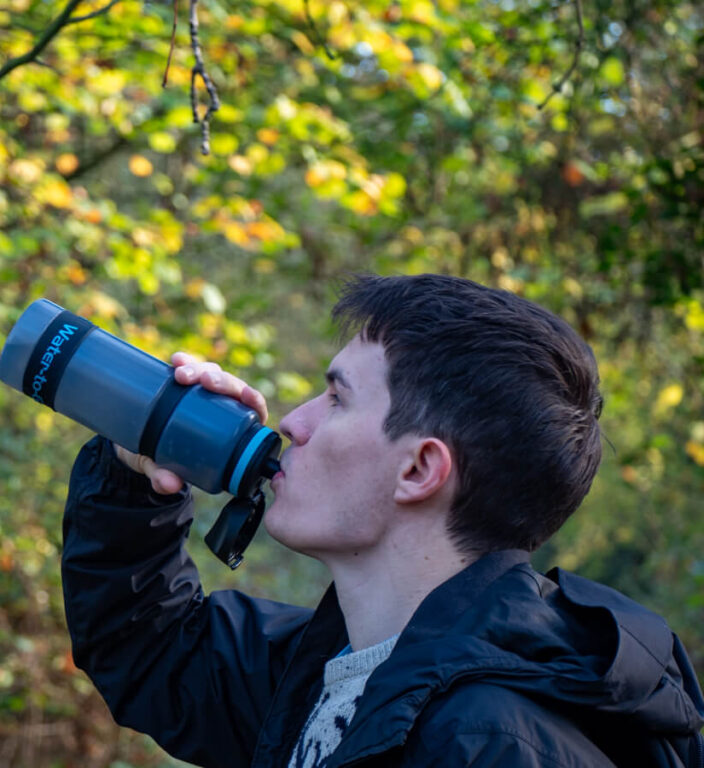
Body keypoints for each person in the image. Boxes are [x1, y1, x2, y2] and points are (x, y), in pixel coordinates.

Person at [60, 273, 704, 767]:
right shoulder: (343, 671)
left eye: (337, 398)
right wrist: (134, 467)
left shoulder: (488, 742)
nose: (293, 422)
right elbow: (150, 650)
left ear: (419, 470)